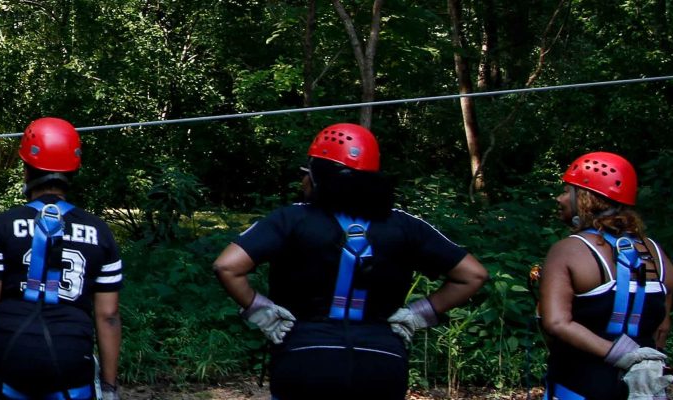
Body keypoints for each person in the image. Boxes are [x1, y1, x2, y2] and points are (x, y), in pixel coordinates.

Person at [208, 123, 487, 400]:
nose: (303, 181)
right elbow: (472, 275)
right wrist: (418, 314)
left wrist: (262, 311)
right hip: (381, 361)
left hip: (305, 357)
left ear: (317, 176)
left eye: (307, 173)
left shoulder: (290, 219)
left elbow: (227, 266)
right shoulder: (405, 225)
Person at [0, 117, 123, 400]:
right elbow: (109, 316)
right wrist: (110, 387)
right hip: (71, 361)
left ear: (26, 169)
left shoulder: (2, 226)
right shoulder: (99, 231)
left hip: (8, 357)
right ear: (73, 170)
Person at [538, 152, 673, 400]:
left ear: (584, 198)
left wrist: (620, 354)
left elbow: (556, 323)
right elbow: (662, 326)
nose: (559, 198)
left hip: (578, 383)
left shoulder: (568, 250)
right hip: (642, 387)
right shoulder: (656, 253)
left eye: (566, 190)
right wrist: (643, 363)